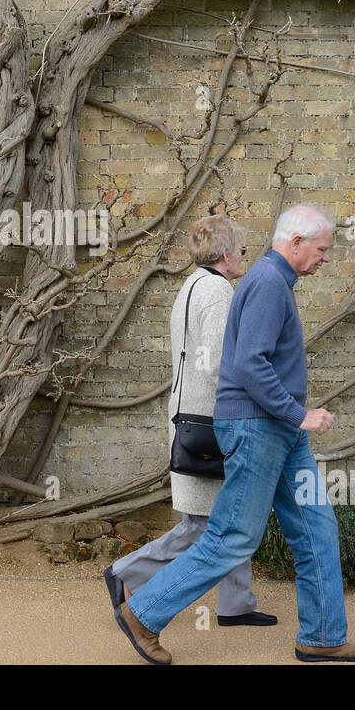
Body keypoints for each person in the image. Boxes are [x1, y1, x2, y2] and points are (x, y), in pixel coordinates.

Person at [112, 203, 355, 665]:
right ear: (296, 242)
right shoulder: (270, 283)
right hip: (259, 428)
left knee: (317, 527)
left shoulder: (271, 281)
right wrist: (299, 415)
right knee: (231, 537)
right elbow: (251, 363)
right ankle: (143, 613)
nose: (326, 258)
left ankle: (323, 635)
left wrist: (292, 422)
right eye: (322, 249)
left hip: (278, 432)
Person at [102, 214, 277, 629]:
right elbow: (221, 361)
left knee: (228, 513)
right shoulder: (218, 291)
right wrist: (253, 401)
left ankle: (237, 604)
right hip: (210, 417)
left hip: (189, 412)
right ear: (225, 253)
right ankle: (126, 572)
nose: (244, 257)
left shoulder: (192, 285)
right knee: (205, 523)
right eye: (241, 249)